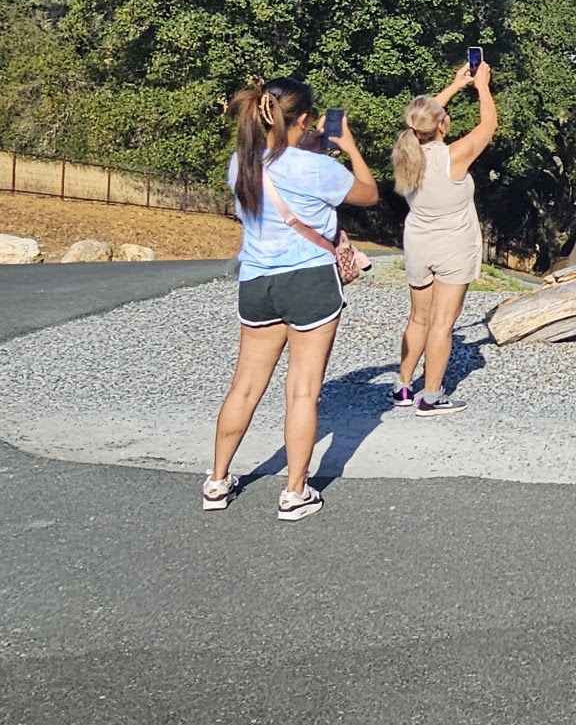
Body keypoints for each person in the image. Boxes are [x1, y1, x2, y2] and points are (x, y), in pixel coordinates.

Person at [203, 78, 378, 521]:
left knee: (244, 386)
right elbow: (369, 194)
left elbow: (281, 173)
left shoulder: (239, 163)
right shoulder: (316, 168)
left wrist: (308, 145)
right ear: (304, 119)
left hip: (257, 283)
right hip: (309, 282)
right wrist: (349, 147)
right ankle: (295, 492)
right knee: (303, 391)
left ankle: (218, 481)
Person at [390, 61, 498, 416]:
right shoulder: (453, 156)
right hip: (453, 244)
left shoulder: (407, 152)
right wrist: (481, 86)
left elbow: (419, 120)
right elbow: (488, 125)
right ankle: (431, 395)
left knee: (418, 318)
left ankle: (404, 385)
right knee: (442, 323)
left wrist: (453, 86)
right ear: (441, 125)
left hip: (419, 241)